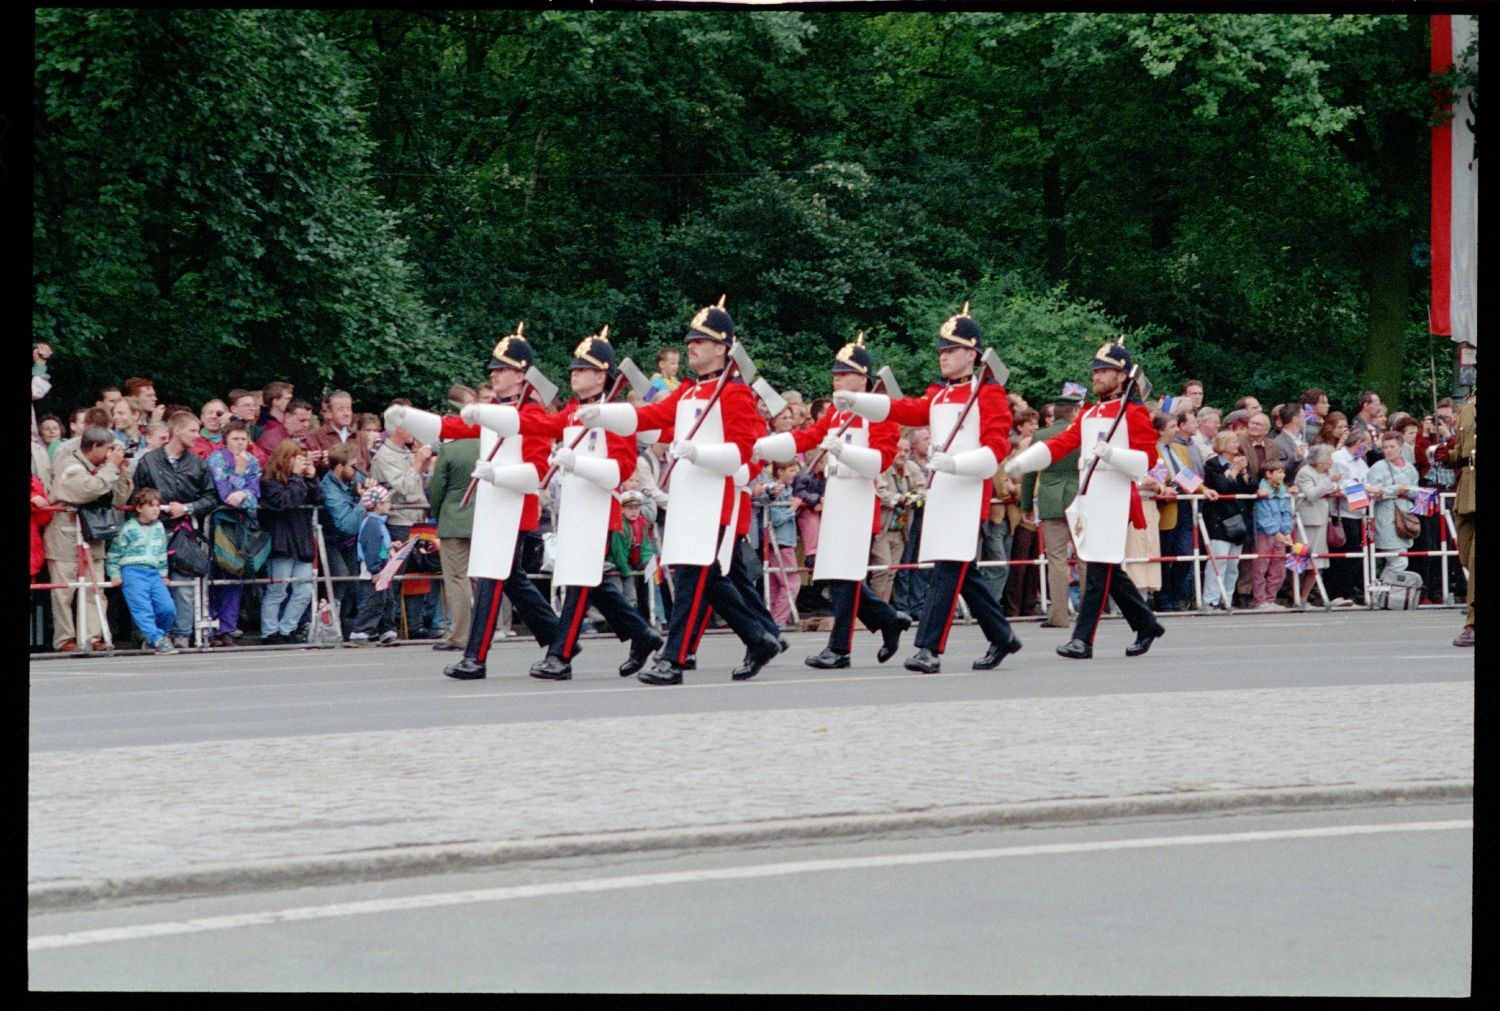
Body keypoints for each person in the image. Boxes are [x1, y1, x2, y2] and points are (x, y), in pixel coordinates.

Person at [578, 299, 781, 685]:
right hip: (688, 496)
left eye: (701, 341)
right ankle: (759, 639)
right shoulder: (688, 391)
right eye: (690, 340)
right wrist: (604, 414)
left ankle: (673, 659)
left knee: (692, 579)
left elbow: (743, 451)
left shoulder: (734, 394)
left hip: (712, 498)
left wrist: (699, 452)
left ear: (723, 348)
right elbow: (651, 417)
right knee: (707, 580)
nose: (691, 346)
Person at [836, 305, 1020, 673]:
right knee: (962, 571)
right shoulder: (939, 393)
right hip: (942, 491)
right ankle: (1001, 636)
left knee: (947, 569)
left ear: (972, 353)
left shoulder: (988, 394)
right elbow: (906, 409)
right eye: (941, 351)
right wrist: (859, 401)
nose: (943, 357)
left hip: (966, 492)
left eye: (951, 350)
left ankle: (928, 648)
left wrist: (955, 463)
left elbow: (995, 449)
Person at [753, 335, 912, 667]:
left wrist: (844, 450)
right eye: (836, 373)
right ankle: (887, 619)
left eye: (844, 373)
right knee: (839, 574)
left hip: (858, 494)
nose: (836, 379)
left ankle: (840, 648)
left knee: (844, 575)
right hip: (836, 493)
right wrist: (762, 447)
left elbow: (879, 462)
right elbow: (804, 438)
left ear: (862, 378)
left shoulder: (879, 412)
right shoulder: (839, 414)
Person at [519, 327, 663, 681]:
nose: (574, 375)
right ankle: (642, 635)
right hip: (574, 508)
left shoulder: (615, 414)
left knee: (580, 582)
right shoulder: (572, 412)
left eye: (582, 370)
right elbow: (544, 426)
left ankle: (561, 655)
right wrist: (505, 418)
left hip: (599, 510)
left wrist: (576, 463)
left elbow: (621, 470)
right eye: (573, 369)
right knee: (590, 581)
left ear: (601, 375)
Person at [1006, 340, 1163, 659]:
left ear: (1121, 376)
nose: (1096, 375)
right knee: (1105, 566)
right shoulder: (1091, 411)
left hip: (1114, 495)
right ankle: (1145, 623)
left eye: (1104, 371)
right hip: (1089, 495)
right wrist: (1024, 462)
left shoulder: (1132, 412)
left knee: (1100, 567)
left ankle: (1083, 640)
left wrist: (1113, 454)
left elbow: (1147, 459)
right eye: (1096, 370)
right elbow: (1063, 443)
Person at [422, 325, 560, 679]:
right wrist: (417, 421)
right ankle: (559, 638)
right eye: (494, 370)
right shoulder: (496, 408)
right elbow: (457, 428)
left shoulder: (533, 413)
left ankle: (476, 657)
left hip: (514, 508)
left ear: (521, 374)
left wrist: (497, 475)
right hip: (492, 508)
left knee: (490, 578)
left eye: (502, 370)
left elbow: (538, 471)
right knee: (511, 579)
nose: (494, 375)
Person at [131, 410, 218, 647]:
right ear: (176, 431)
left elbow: (211, 498)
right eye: (192, 430)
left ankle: (182, 633)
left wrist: (187, 508)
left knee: (185, 585)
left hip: (183, 530)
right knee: (151, 585)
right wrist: (152, 509)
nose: (197, 436)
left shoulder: (198, 463)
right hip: (152, 530)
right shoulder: (148, 461)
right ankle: (153, 634)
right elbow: (136, 496)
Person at [45, 427, 132, 652]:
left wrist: (121, 472)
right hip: (65, 539)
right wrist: (111, 467)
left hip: (93, 537)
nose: (111, 453)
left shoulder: (104, 468)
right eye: (108, 448)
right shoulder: (70, 465)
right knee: (64, 592)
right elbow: (88, 490)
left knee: (95, 590)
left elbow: (118, 498)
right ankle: (65, 639)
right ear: (94, 447)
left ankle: (91, 636)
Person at [1020, 396, 1082, 628]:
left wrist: (1026, 505)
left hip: (1050, 499)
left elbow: (1029, 473)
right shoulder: (1083, 434)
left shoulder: (1041, 435)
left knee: (1057, 559)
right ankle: (1090, 612)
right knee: (1084, 557)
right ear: (1074, 411)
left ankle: (1058, 615)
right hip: (1079, 498)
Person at [257, 440, 324, 644]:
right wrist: (296, 477)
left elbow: (319, 499)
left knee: (304, 590)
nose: (300, 463)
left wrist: (311, 479)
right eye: (297, 458)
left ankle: (287, 628)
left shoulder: (300, 481)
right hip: (281, 542)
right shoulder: (269, 481)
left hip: (301, 540)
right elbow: (286, 502)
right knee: (277, 590)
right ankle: (269, 631)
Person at [204, 419, 262, 646]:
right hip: (219, 523)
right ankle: (210, 625)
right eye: (235, 439)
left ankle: (227, 627)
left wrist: (244, 494)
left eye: (243, 439)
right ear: (225, 439)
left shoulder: (253, 461)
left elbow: (254, 494)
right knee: (214, 573)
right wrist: (238, 474)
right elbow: (224, 493)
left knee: (234, 573)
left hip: (242, 525)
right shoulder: (216, 459)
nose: (240, 443)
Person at [105, 488, 179, 654]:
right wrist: (115, 574)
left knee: (167, 608)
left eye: (158, 505)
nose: (155, 509)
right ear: (139, 508)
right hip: (132, 571)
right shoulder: (128, 528)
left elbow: (161, 553)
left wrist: (163, 574)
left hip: (153, 572)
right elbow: (114, 554)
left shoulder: (159, 527)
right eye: (150, 506)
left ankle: (156, 636)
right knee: (142, 608)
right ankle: (157, 639)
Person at [427, 429, 478, 654]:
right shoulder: (485, 444)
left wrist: (440, 515)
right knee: (478, 578)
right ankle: (484, 631)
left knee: (457, 578)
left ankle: (459, 635)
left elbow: (436, 489)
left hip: (454, 518)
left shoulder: (449, 449)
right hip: (482, 518)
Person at [1433, 394, 1475, 646]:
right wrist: (1447, 456)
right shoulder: (1468, 410)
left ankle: (1471, 624)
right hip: (1468, 492)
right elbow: (1462, 451)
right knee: (1466, 555)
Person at [871, 436, 923, 602]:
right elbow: (882, 494)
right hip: (882, 530)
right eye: (899, 450)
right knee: (882, 569)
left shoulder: (912, 467)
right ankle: (876, 612)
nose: (903, 454)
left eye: (907, 451)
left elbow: (924, 491)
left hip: (901, 530)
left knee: (892, 572)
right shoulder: (883, 466)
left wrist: (913, 498)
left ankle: (884, 611)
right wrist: (905, 499)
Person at [348, 485, 401, 646]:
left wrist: (390, 546)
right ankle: (361, 631)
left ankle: (386, 630)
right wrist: (376, 570)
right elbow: (371, 549)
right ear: (378, 505)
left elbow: (379, 547)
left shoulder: (377, 523)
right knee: (374, 601)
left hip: (381, 569)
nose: (389, 503)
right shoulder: (373, 524)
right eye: (387, 501)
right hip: (375, 571)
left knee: (386, 600)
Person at [1294, 443, 1344, 607]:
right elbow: (1311, 494)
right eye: (1328, 458)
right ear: (1319, 461)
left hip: (1321, 520)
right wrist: (1329, 482)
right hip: (1308, 523)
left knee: (1318, 561)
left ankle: (1304, 597)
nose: (1331, 461)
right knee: (1302, 560)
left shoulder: (1324, 473)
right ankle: (1297, 596)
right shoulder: (1305, 473)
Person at [1365, 430, 1420, 581]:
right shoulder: (1378, 467)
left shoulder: (1410, 468)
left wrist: (1407, 491)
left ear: (1401, 447)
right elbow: (1372, 493)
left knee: (1399, 559)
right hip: (1385, 517)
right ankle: (1382, 590)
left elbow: (1416, 491)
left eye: (1392, 447)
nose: (1388, 450)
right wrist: (1395, 490)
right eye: (1385, 447)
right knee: (1399, 560)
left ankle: (1384, 591)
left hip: (1404, 517)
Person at [1248, 458, 1294, 609]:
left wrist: (1287, 531)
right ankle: (1260, 600)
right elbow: (1263, 515)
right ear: (1268, 474)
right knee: (1260, 568)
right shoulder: (1261, 491)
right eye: (1279, 472)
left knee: (1279, 569)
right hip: (1264, 534)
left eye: (1283, 472)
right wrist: (1275, 532)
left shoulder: (1283, 490)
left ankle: (1270, 598)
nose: (1282, 475)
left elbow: (1287, 511)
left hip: (1280, 534)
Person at [304, 390, 369, 474]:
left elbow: (368, 466)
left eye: (349, 409)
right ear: (329, 413)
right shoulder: (317, 436)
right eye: (341, 409)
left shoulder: (359, 436)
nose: (347, 413)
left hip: (360, 484)